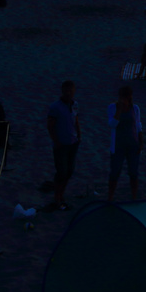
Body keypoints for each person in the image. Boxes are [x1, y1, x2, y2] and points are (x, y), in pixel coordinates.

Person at [46, 80, 80, 211]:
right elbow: (50, 125)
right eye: (66, 91)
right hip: (61, 145)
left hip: (73, 142)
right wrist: (56, 141)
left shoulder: (75, 104)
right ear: (62, 91)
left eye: (71, 91)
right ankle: (57, 196)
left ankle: (61, 194)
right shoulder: (55, 107)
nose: (68, 93)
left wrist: (79, 135)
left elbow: (76, 120)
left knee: (69, 171)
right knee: (61, 172)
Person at [106, 85, 143, 202]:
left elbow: (138, 126)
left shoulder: (135, 108)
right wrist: (119, 111)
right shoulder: (113, 107)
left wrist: (141, 142)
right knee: (115, 172)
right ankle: (110, 197)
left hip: (133, 144)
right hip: (118, 145)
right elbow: (112, 124)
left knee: (133, 172)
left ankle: (134, 196)